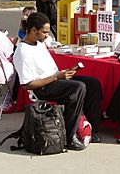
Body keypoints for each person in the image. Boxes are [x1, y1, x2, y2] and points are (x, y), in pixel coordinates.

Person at [13, 12, 102, 151]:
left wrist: (64, 73)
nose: (47, 35)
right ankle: (69, 136)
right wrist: (57, 77)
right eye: (44, 32)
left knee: (93, 84)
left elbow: (50, 70)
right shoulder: (22, 52)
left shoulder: (39, 43)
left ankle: (92, 129)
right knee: (78, 88)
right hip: (41, 87)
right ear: (33, 30)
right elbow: (27, 85)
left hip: (54, 79)